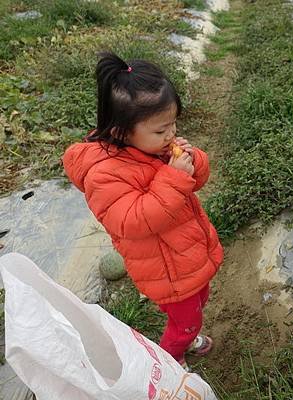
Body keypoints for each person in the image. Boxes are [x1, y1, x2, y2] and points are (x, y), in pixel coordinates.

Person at [62, 52, 223, 370]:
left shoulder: (153, 149)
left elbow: (197, 182)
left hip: (185, 255)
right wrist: (174, 177)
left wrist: (193, 161)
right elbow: (131, 221)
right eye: (162, 130)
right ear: (122, 132)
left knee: (199, 299)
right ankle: (171, 361)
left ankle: (185, 337)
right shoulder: (104, 174)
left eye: (173, 124)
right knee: (185, 322)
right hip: (168, 271)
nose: (171, 135)